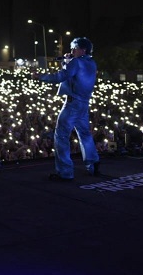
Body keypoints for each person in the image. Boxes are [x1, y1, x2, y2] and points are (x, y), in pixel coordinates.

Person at [32, 36, 101, 181]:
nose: (72, 50)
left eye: (74, 48)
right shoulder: (92, 63)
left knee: (61, 135)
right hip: (83, 104)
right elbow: (72, 74)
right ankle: (93, 164)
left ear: (83, 49)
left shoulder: (76, 62)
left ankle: (65, 172)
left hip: (72, 103)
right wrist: (66, 61)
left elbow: (62, 76)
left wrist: (41, 77)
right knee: (85, 134)